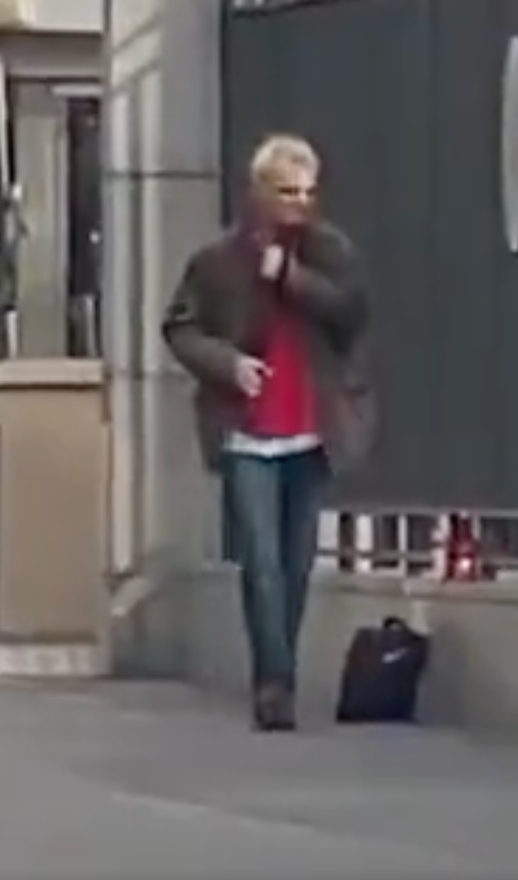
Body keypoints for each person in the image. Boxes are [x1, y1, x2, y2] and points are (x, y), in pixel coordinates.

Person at [162, 132, 371, 731]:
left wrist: (291, 278)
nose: (298, 204)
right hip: (247, 431)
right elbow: (181, 327)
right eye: (286, 192)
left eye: (307, 192)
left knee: (297, 563)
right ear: (258, 192)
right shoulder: (217, 261)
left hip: (311, 429)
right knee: (261, 560)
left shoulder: (330, 251)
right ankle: (273, 684)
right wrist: (228, 364)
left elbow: (351, 314)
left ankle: (281, 669)